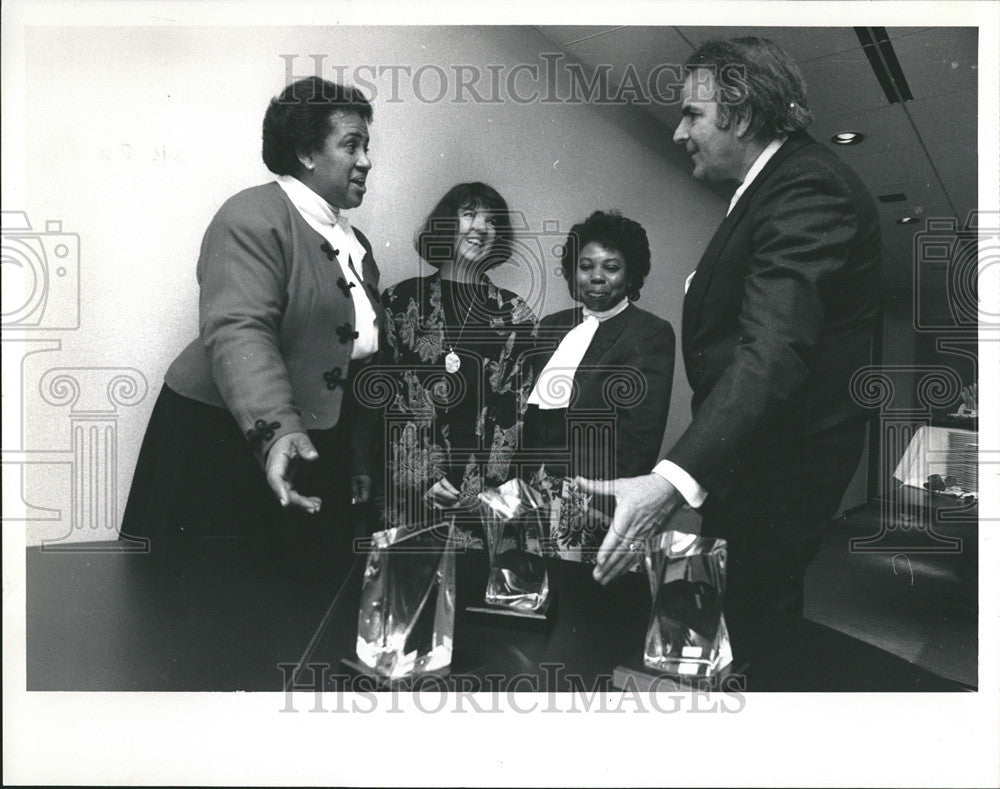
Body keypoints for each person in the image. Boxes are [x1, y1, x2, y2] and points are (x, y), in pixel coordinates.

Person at [579, 37, 881, 616]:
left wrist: (667, 484)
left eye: (692, 114)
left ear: (740, 116)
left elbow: (771, 350)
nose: (677, 132)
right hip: (752, 474)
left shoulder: (806, 186)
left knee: (747, 633)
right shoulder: (769, 189)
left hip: (775, 480)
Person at [119, 77, 380, 545]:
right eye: (351, 145)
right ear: (306, 153)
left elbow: (350, 360)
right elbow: (240, 330)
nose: (366, 161)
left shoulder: (354, 244)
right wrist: (277, 432)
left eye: (367, 146)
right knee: (215, 601)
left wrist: (355, 459)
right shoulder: (253, 215)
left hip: (311, 441)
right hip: (223, 439)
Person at [380, 182, 539, 529]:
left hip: (485, 503)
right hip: (412, 495)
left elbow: (519, 408)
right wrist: (423, 476)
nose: (481, 228)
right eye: (469, 214)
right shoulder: (399, 300)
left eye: (491, 221)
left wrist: (484, 492)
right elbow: (389, 399)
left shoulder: (516, 314)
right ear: (446, 225)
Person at [522, 210, 674, 558]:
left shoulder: (649, 332)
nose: (597, 277)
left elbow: (642, 433)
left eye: (611, 267)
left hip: (597, 495)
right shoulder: (550, 326)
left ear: (631, 273)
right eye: (586, 266)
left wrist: (608, 505)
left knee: (583, 598)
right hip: (537, 486)